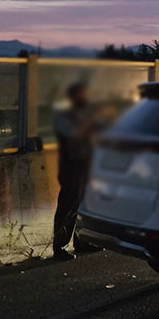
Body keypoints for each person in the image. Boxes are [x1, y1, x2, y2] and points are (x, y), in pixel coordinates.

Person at [52, 82, 99, 261]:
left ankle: (82, 241)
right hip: (72, 168)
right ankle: (60, 246)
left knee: (84, 205)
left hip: (84, 166)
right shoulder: (65, 117)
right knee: (68, 206)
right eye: (83, 95)